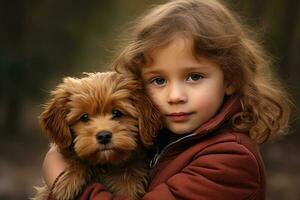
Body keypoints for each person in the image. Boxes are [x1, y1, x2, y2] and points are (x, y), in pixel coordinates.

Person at [42, 0, 291, 199]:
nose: (175, 96)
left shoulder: (231, 161)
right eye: (159, 81)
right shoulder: (162, 136)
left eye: (194, 77)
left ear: (230, 79)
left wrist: (62, 178)